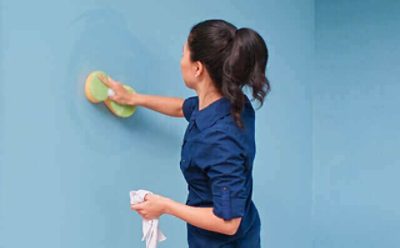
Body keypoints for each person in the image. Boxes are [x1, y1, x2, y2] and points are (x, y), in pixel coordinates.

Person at [100, 19, 271, 247]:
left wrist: (165, 206)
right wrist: (133, 98)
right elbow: (182, 107)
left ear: (197, 68)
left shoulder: (219, 139)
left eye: (184, 54)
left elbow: (228, 223)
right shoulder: (230, 102)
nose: (180, 61)